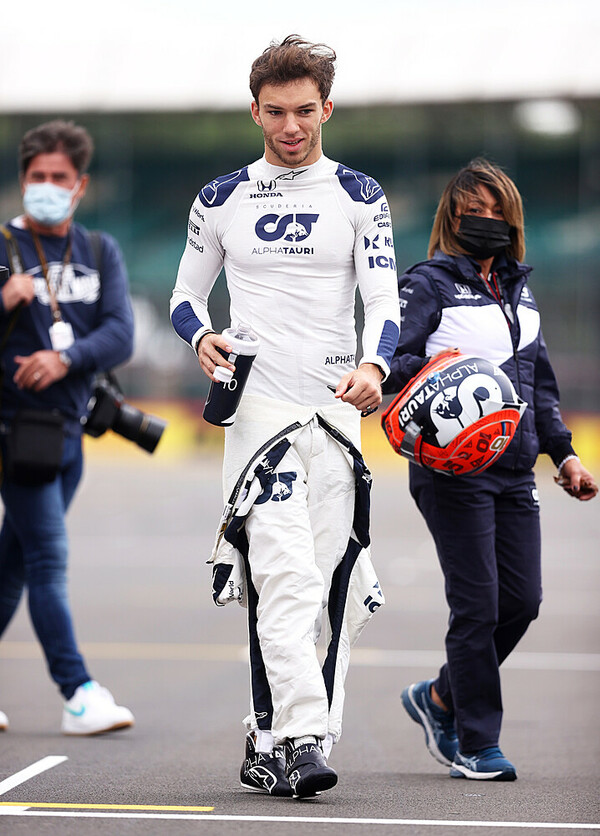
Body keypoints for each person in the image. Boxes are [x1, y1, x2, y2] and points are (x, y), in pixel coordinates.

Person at [170, 35, 400, 798]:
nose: (291, 126)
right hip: (258, 413)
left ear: (327, 108)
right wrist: (202, 337)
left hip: (335, 412)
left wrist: (374, 366)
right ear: (255, 112)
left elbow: (383, 299)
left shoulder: (361, 195)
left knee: (331, 588)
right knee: (285, 575)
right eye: (276, 112)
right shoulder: (220, 198)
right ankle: (302, 739)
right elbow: (184, 297)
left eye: (304, 111)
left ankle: (273, 738)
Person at [383, 158, 597, 781]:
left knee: (522, 602)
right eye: (472, 210)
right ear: (452, 217)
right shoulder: (428, 283)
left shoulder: (519, 289)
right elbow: (392, 358)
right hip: (452, 469)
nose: (485, 220)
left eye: (496, 211)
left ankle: (439, 697)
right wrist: (424, 374)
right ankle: (477, 743)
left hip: (516, 468)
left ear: (514, 220)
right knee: (477, 605)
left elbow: (540, 384)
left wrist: (565, 454)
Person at [0, 120, 135, 735]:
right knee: (48, 557)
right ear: (22, 180)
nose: (47, 186)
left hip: (70, 429)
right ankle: (78, 691)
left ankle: (77, 690)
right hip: (15, 431)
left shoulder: (98, 250)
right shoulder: (4, 246)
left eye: (59, 177)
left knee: (14, 563)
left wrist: (65, 358)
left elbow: (120, 334)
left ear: (79, 185)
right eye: (37, 176)